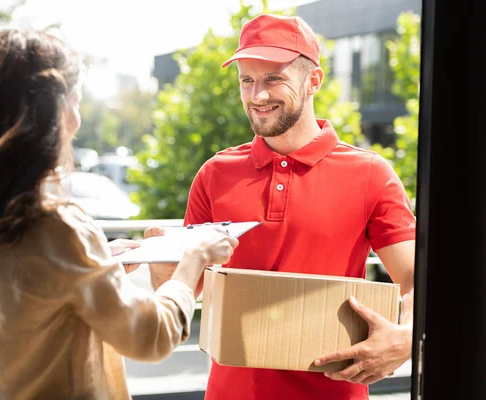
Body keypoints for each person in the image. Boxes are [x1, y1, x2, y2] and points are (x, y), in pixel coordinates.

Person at [0, 29, 239, 400]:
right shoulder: (56, 228)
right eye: (77, 100)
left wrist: (97, 265)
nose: (78, 119)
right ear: (50, 113)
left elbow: (20, 307)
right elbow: (150, 337)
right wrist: (193, 260)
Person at [148, 14, 416, 400]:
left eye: (273, 78)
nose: (257, 95)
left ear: (313, 81)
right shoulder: (214, 174)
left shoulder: (371, 174)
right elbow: (189, 291)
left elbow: (414, 278)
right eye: (247, 80)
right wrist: (163, 264)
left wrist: (405, 338)